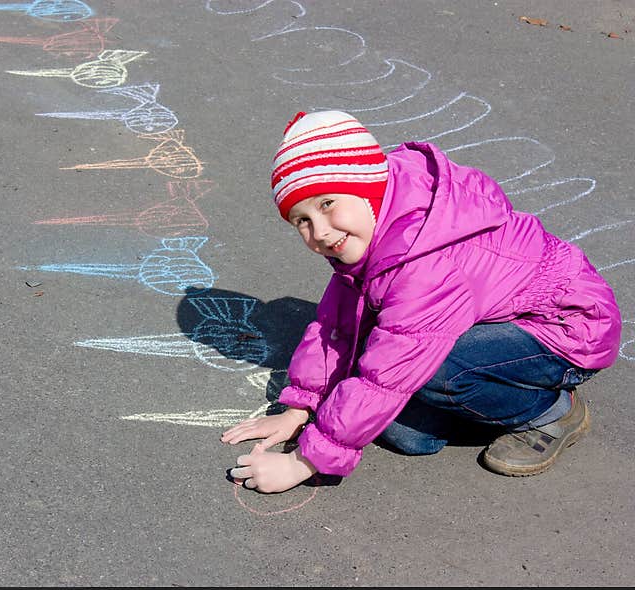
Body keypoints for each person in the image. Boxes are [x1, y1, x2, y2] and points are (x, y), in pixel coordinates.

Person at [222, 110, 622, 493]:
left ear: (367, 184)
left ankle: (551, 411)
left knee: (433, 375)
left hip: (566, 330)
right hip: (493, 320)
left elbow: (390, 373)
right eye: (302, 221)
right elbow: (336, 324)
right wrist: (302, 407)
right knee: (403, 432)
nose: (320, 232)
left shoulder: (425, 257)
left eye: (327, 204)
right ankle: (480, 395)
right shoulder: (374, 222)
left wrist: (303, 463)